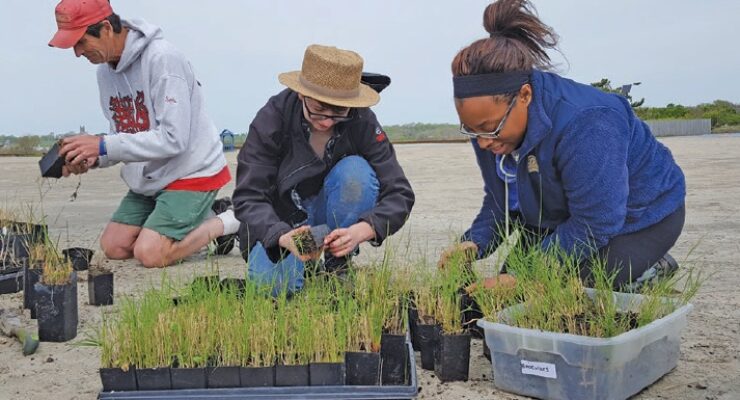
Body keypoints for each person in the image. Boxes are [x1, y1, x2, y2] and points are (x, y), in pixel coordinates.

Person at [439, 0, 686, 290]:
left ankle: (650, 267)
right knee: (501, 299)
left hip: (636, 217)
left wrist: (527, 279)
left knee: (555, 295)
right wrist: (474, 241)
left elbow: (598, 220)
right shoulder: (489, 129)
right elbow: (501, 199)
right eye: (471, 130)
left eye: (488, 129)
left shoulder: (588, 123)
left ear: (525, 96)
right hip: (556, 213)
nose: (482, 141)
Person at [48, 0, 240, 268]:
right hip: (151, 177)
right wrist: (91, 157)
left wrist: (102, 145)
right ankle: (205, 215)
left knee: (150, 254)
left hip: (192, 172)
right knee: (114, 247)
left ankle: (227, 221)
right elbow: (122, 135)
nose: (78, 53)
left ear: (105, 28)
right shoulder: (105, 72)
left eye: (80, 42)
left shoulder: (163, 59)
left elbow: (174, 139)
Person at [233, 44, 415, 295]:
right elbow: (248, 196)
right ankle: (301, 264)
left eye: (339, 111)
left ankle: (337, 264)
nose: (327, 121)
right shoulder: (271, 118)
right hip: (282, 222)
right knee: (273, 288)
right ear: (301, 94)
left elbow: (400, 193)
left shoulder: (362, 120)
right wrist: (283, 236)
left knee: (356, 173)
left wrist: (363, 230)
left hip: (330, 224)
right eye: (318, 109)